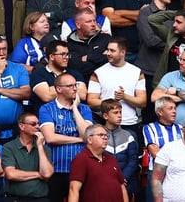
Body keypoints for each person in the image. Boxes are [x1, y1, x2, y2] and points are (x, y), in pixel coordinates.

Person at [39, 72, 93, 202]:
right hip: (56, 169)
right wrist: (79, 139)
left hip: (80, 169)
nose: (75, 89)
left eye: (76, 85)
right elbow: (50, 138)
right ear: (59, 89)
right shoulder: (47, 109)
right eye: (70, 86)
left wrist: (75, 108)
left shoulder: (84, 109)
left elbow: (86, 134)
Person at [87, 37, 146, 139]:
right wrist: (110, 102)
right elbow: (91, 101)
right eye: (107, 50)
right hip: (105, 125)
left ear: (122, 53)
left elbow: (142, 102)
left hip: (130, 123)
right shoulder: (98, 73)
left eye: (112, 51)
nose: (108, 53)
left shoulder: (137, 72)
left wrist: (124, 96)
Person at [67, 124, 129, 202]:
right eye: (101, 135)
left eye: (106, 136)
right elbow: (73, 190)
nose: (105, 137)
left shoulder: (111, 159)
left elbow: (122, 187)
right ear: (89, 140)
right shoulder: (81, 159)